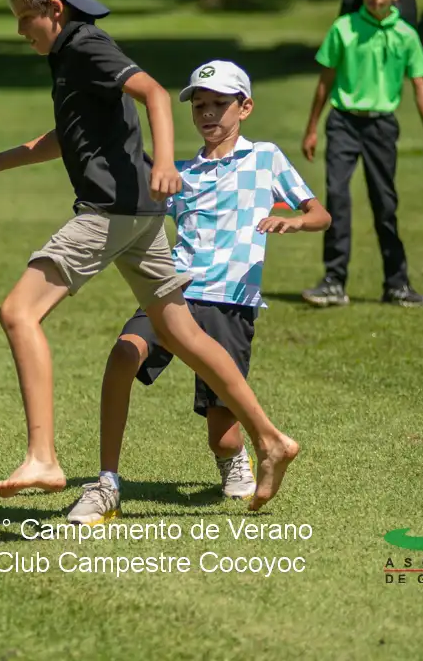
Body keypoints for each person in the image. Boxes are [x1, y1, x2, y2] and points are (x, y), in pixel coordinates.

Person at [0, 0, 299, 511]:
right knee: (183, 334)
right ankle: (271, 439)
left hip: (110, 210)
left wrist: (165, 163)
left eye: (23, 17)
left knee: (18, 312)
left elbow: (155, 92)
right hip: (139, 216)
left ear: (54, 8)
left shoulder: (84, 44)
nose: (19, 30)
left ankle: (42, 456)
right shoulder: (70, 54)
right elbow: (67, 135)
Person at [66, 60, 329, 525]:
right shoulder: (181, 172)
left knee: (222, 437)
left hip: (231, 301)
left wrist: (294, 221)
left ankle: (236, 458)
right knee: (124, 352)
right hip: (175, 291)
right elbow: (140, 211)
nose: (208, 113)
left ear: (245, 107)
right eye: (199, 105)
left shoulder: (265, 158)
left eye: (219, 104)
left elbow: (320, 214)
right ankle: (107, 482)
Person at [301, 0, 423, 309]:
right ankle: (334, 282)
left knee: (384, 204)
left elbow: (420, 87)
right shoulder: (343, 29)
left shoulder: (406, 36)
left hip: (381, 126)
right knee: (337, 198)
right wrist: (312, 128)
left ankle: (397, 284)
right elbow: (325, 81)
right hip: (343, 122)